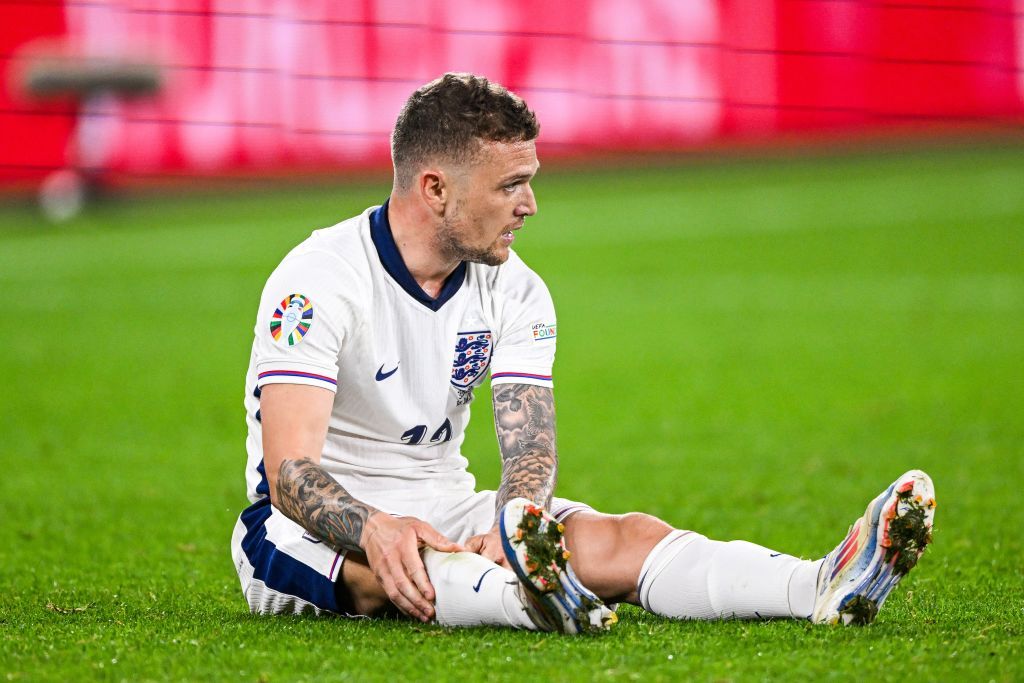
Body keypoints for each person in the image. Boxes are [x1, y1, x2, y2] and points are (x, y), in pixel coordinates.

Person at [229, 73, 936, 631]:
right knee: (401, 569)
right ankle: (532, 602)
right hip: (303, 533)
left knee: (623, 538)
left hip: (445, 500)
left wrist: (515, 522)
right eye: (511, 184)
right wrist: (376, 528)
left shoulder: (519, 290)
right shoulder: (317, 279)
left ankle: (817, 583)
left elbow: (528, 452)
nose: (531, 203)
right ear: (436, 188)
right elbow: (291, 473)